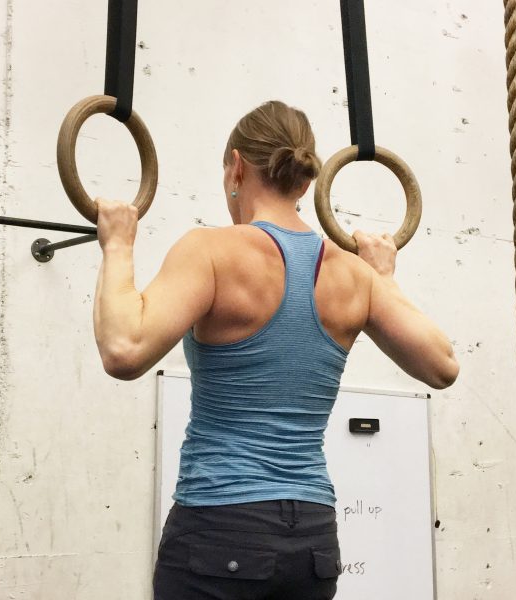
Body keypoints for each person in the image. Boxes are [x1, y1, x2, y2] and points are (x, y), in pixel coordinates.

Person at [93, 100, 458, 600]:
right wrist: (384, 279)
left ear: (237, 167)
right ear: (306, 183)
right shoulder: (355, 277)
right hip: (311, 544)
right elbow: (443, 366)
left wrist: (117, 246)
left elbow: (123, 349)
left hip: (220, 528)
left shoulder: (211, 251)